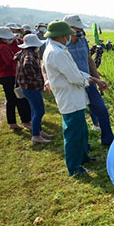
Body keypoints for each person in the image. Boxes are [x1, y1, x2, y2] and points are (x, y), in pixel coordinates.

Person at [42, 20, 107, 176]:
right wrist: (90, 80)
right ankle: (74, 167)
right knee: (73, 134)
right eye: (70, 35)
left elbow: (75, 71)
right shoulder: (56, 53)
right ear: (63, 36)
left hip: (75, 97)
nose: (72, 37)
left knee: (82, 131)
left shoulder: (59, 49)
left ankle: (83, 157)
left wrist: (95, 79)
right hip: (69, 98)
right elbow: (75, 78)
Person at [62, 14, 114, 145]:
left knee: (101, 109)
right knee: (77, 117)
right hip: (72, 85)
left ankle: (108, 139)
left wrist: (98, 80)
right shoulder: (61, 45)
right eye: (77, 29)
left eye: (81, 29)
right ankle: (81, 146)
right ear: (68, 29)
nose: (81, 32)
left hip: (89, 82)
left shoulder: (83, 40)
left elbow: (90, 60)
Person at [0, 27, 32, 130]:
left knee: (11, 100)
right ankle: (26, 120)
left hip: (3, 76)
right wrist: (19, 58)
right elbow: (10, 62)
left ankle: (12, 122)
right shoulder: (3, 47)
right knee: (20, 98)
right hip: (10, 75)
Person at [14, 34, 53, 144]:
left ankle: (39, 131)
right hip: (31, 87)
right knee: (40, 111)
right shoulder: (30, 55)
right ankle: (35, 135)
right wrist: (36, 79)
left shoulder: (23, 53)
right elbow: (27, 65)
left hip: (25, 87)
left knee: (34, 110)